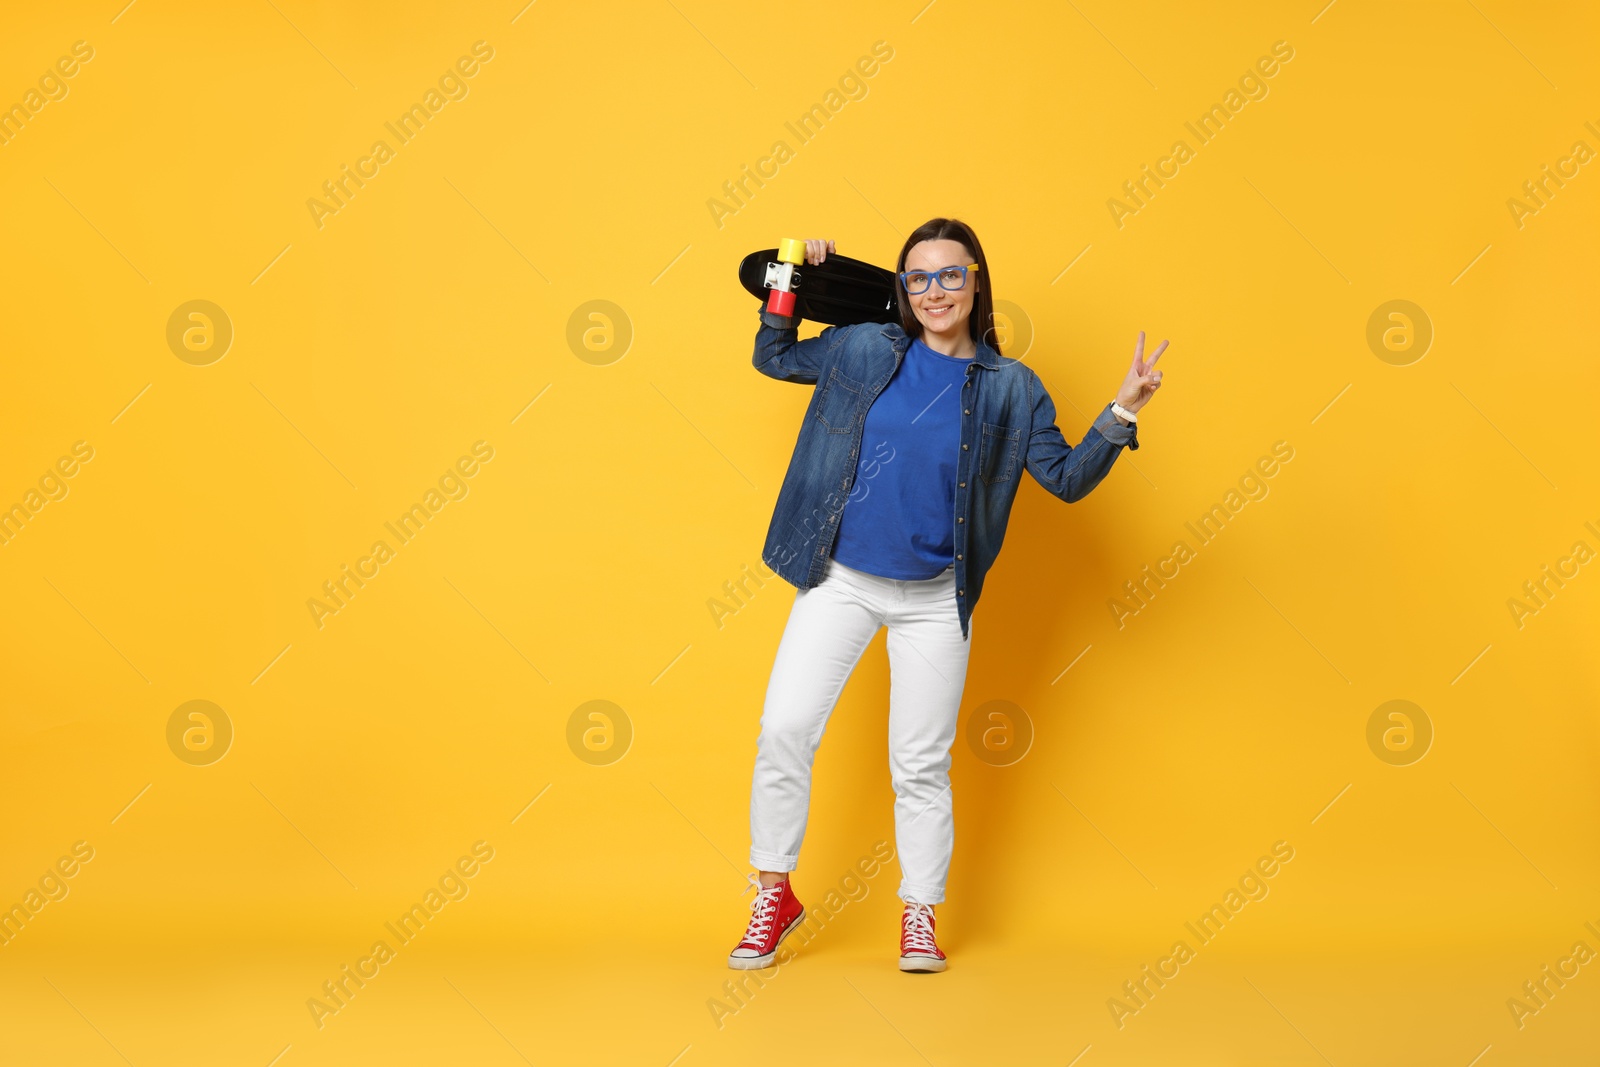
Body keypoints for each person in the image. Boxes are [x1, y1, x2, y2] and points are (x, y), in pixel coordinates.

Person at [729, 218, 1168, 973]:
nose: (934, 291)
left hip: (937, 599)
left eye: (950, 275)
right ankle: (774, 891)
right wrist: (794, 273)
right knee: (783, 729)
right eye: (919, 278)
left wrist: (1122, 410)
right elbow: (772, 356)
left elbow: (1063, 479)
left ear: (976, 283)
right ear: (902, 288)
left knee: (919, 763)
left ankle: (920, 915)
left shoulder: (1011, 388)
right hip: (842, 581)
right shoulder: (864, 345)